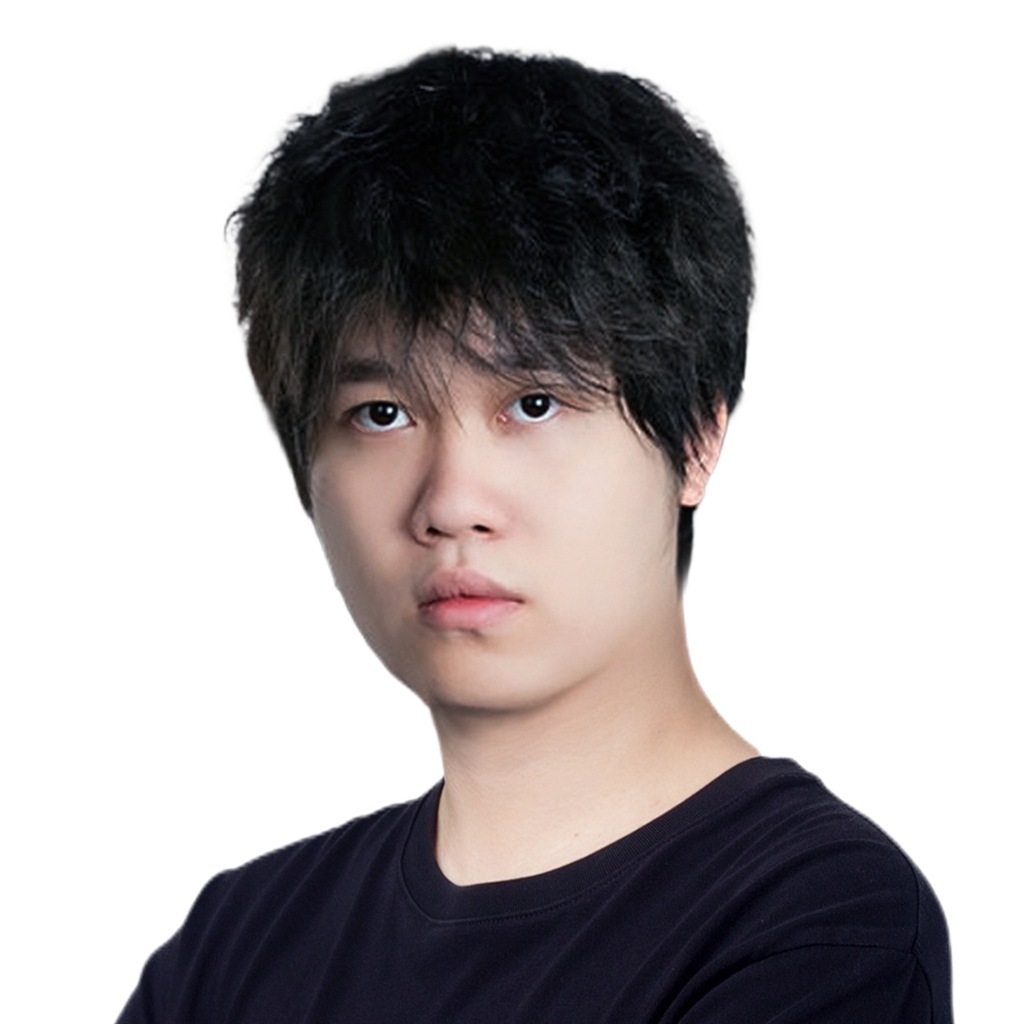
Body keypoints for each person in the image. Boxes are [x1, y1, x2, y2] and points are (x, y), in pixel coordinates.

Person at [116, 45, 954, 1022]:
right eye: (383, 413)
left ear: (694, 440)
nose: (450, 502)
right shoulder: (236, 941)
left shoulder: (818, 921)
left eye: (534, 402)